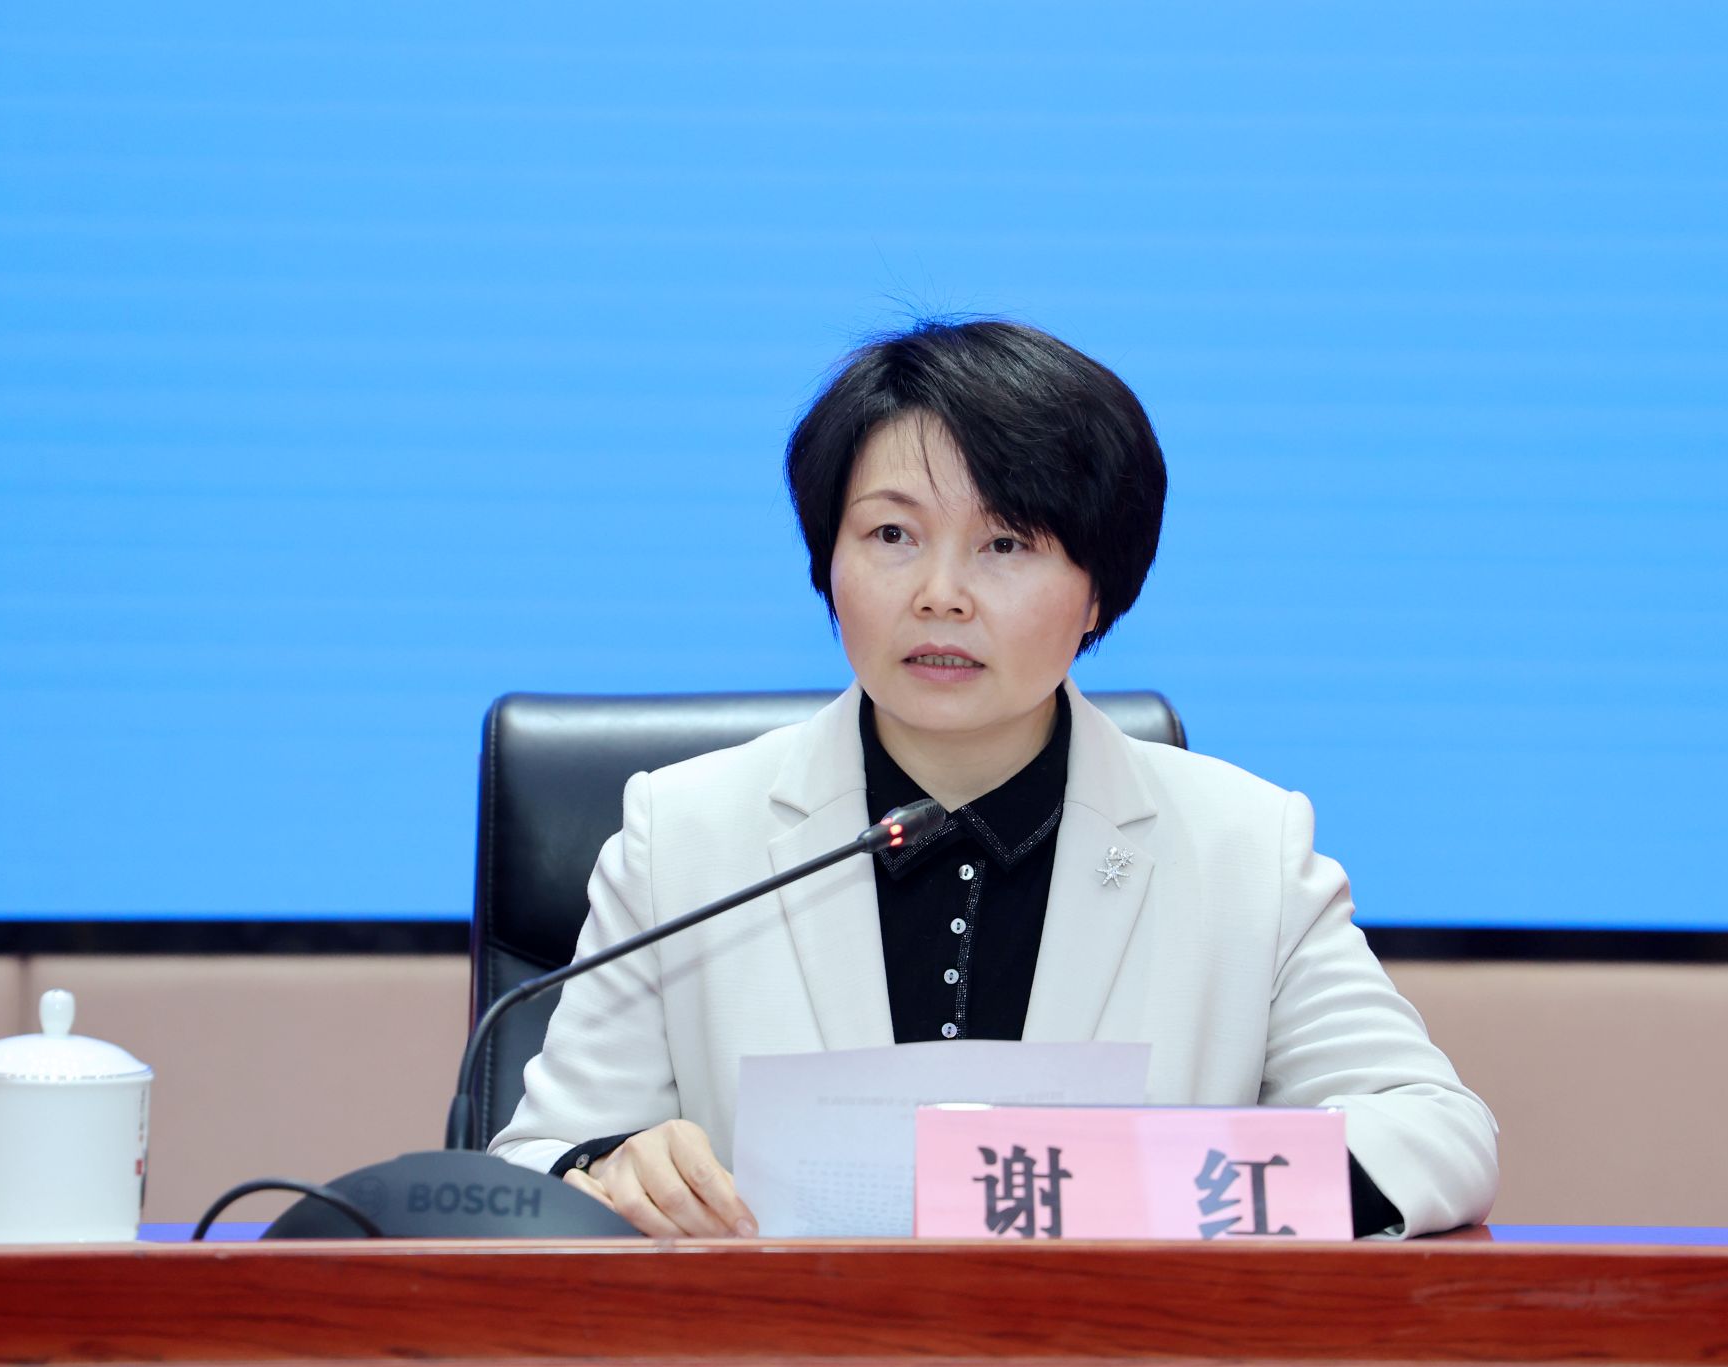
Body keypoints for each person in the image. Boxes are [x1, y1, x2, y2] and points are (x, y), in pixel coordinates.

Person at [488, 318, 1498, 1238]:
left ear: (1098, 593)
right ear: (827, 561)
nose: (940, 595)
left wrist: (1160, 1184)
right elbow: (531, 1163)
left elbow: (1435, 1134)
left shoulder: (1243, 847)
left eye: (1005, 543)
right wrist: (608, 1169)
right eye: (891, 535)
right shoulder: (684, 836)